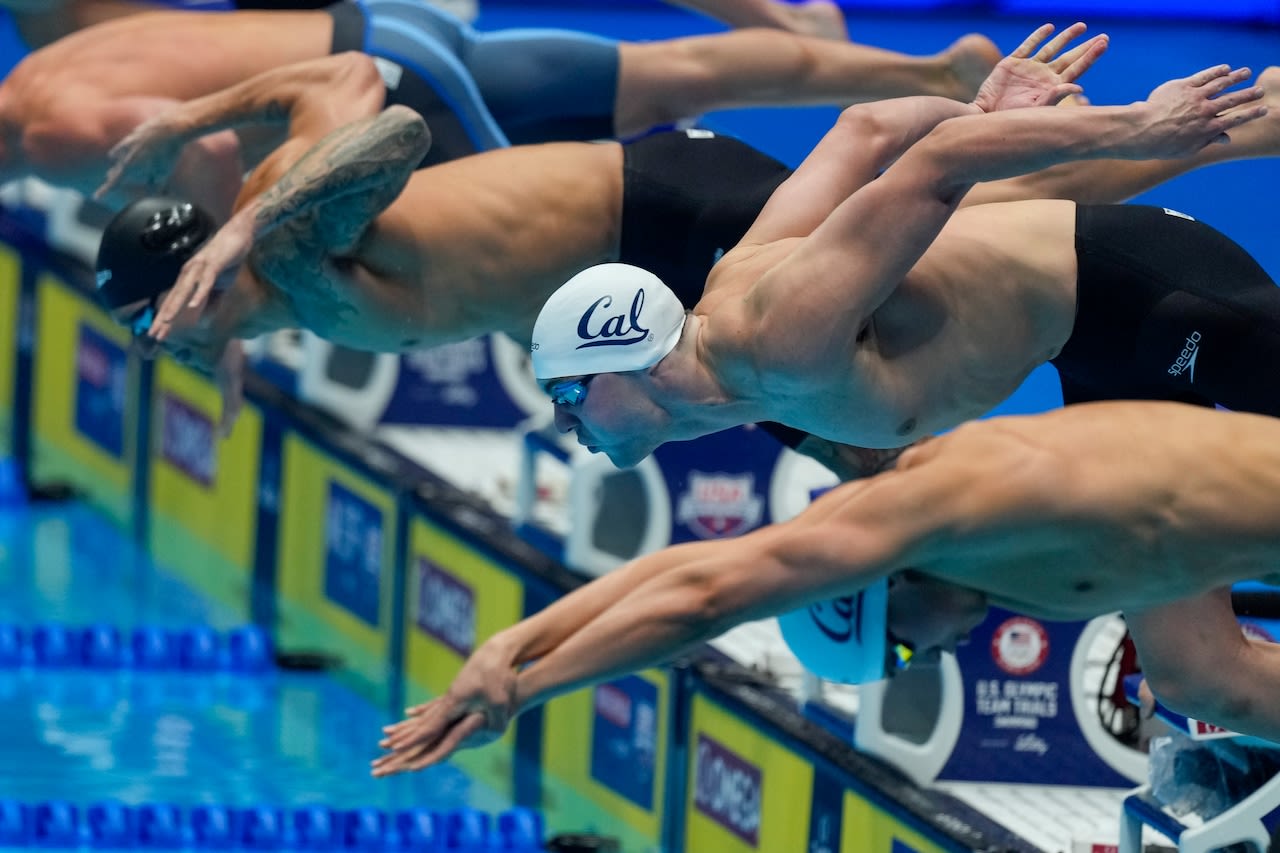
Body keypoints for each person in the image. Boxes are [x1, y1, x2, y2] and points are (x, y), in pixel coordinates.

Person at [91, 27, 1280, 450]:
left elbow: (385, 121)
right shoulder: (289, 257)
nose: (163, 347)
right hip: (649, 216)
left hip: (656, 222)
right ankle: (1239, 119)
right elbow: (347, 72)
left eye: (155, 329)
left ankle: (1219, 126)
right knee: (973, 216)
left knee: (984, 211)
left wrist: (247, 225)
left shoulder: (303, 262)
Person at [369, 399, 1280, 773]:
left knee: (1197, 676)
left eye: (893, 648)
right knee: (1192, 674)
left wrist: (528, 689)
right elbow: (687, 565)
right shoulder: (958, 549)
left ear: (878, 590)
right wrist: (507, 643)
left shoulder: (937, 509)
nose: (925, 657)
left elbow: (707, 603)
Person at [524, 53, 1275, 469]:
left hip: (1140, 289)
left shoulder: (780, 337)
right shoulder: (735, 299)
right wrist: (980, 117)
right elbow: (865, 129)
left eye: (568, 394)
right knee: (1188, 662)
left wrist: (1135, 125)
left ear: (628, 355)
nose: (567, 423)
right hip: (1084, 351)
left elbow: (935, 164)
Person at [0, 0, 1002, 212]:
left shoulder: (46, 133)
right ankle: (928, 70)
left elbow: (210, 150)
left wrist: (215, 275)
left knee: (527, 223)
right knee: (674, 72)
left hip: (391, 86)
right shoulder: (39, 70)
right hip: (396, 27)